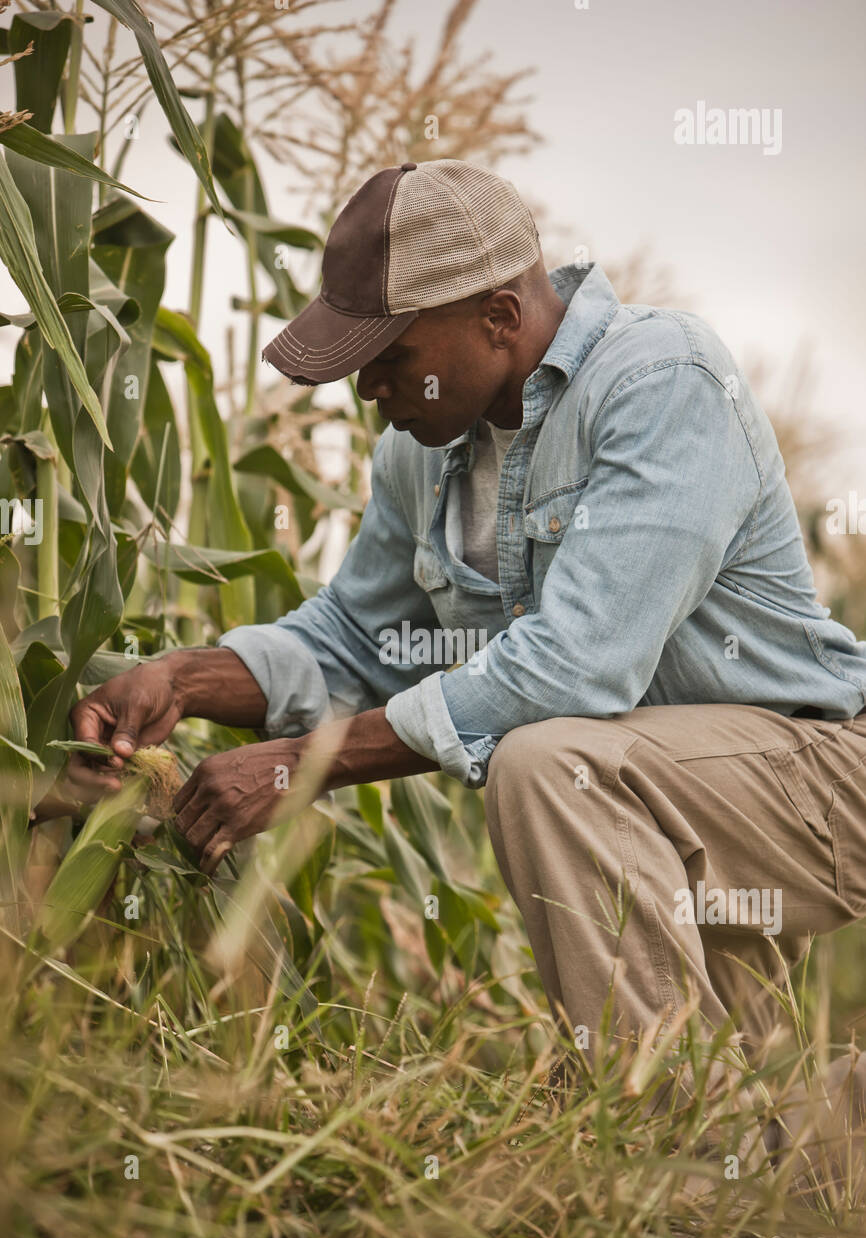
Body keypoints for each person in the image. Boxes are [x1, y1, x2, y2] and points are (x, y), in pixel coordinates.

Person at [68, 159, 866, 1116]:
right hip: (665, 809)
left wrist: (304, 764)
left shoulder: (663, 382)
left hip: (817, 779)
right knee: (769, 1142)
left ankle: (672, 1153)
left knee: (548, 767)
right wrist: (184, 678)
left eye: (390, 356)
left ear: (497, 316)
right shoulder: (421, 452)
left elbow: (575, 666)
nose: (368, 390)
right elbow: (353, 641)